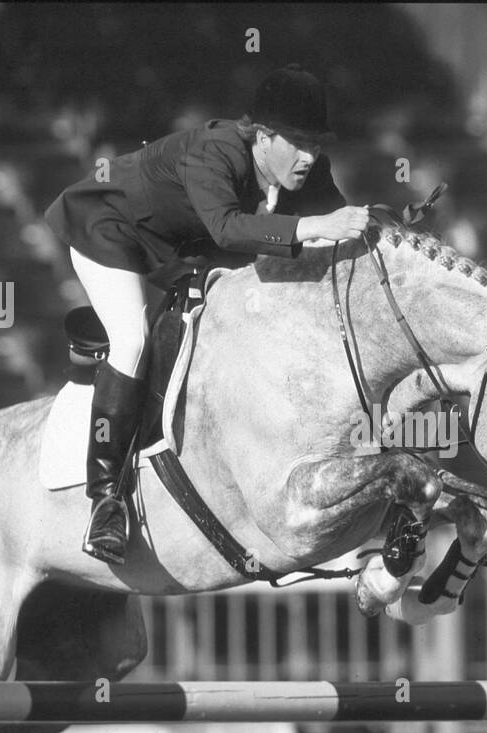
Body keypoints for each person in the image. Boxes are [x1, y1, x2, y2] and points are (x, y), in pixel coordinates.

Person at [45, 64, 370, 565]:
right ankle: (105, 500)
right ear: (262, 136)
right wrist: (313, 226)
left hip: (170, 252)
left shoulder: (306, 172)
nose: (309, 156)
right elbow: (226, 230)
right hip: (107, 231)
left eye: (316, 144)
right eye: (298, 143)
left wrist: (393, 227)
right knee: (132, 339)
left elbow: (343, 228)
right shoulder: (214, 151)